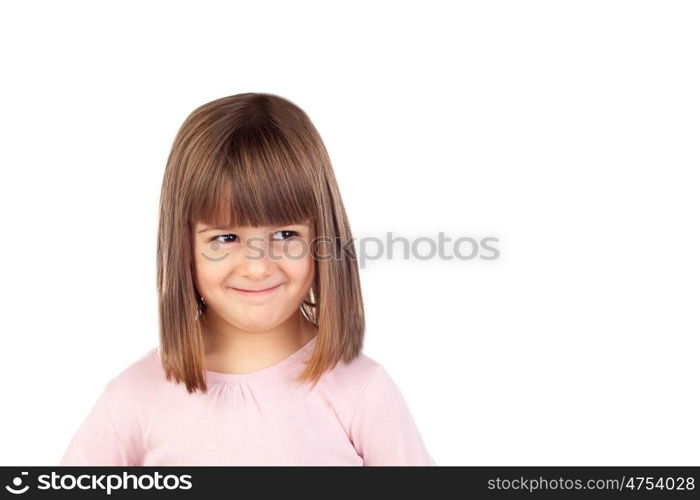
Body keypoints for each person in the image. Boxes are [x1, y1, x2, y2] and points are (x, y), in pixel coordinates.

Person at [59, 92, 436, 466]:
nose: (257, 267)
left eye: (286, 235)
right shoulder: (132, 399)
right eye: (226, 238)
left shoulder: (362, 393)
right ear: (183, 245)